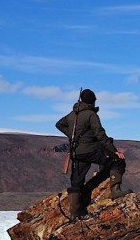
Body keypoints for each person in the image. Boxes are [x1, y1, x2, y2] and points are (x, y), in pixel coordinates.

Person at [56, 88, 132, 220]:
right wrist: (115, 151)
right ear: (92, 101)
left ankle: (75, 214)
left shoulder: (72, 114)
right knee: (117, 162)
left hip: (76, 152)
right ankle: (115, 190)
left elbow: (59, 124)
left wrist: (72, 136)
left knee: (76, 182)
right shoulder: (91, 115)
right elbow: (101, 135)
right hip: (91, 150)